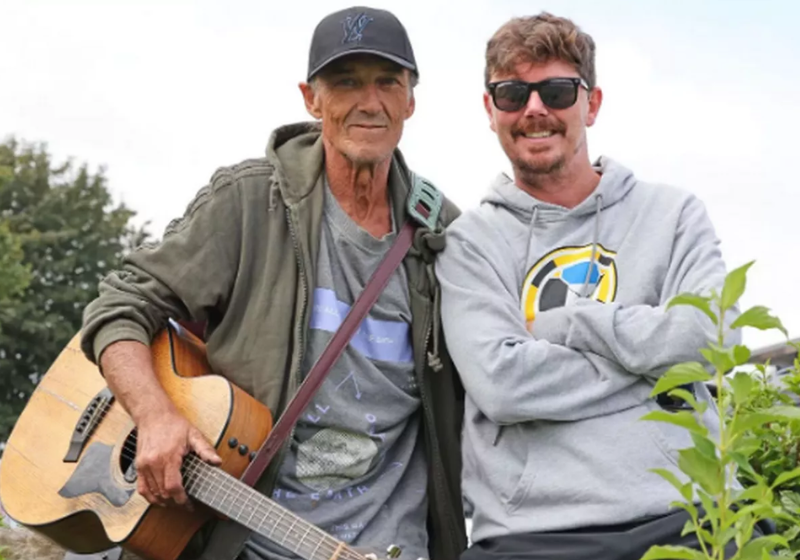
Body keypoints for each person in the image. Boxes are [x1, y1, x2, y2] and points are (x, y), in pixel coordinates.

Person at [80, 7, 467, 560]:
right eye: (346, 82)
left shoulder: (444, 237)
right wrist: (155, 414)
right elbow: (119, 305)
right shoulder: (248, 202)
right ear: (311, 98)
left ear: (411, 100)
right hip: (234, 543)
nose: (370, 101)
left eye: (388, 81)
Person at [436, 12, 747, 560]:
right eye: (512, 94)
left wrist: (566, 323)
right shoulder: (468, 242)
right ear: (490, 110)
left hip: (685, 516)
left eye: (556, 90)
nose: (535, 109)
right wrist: (654, 367)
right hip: (528, 537)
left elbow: (711, 338)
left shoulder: (672, 214)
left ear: (592, 103)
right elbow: (503, 385)